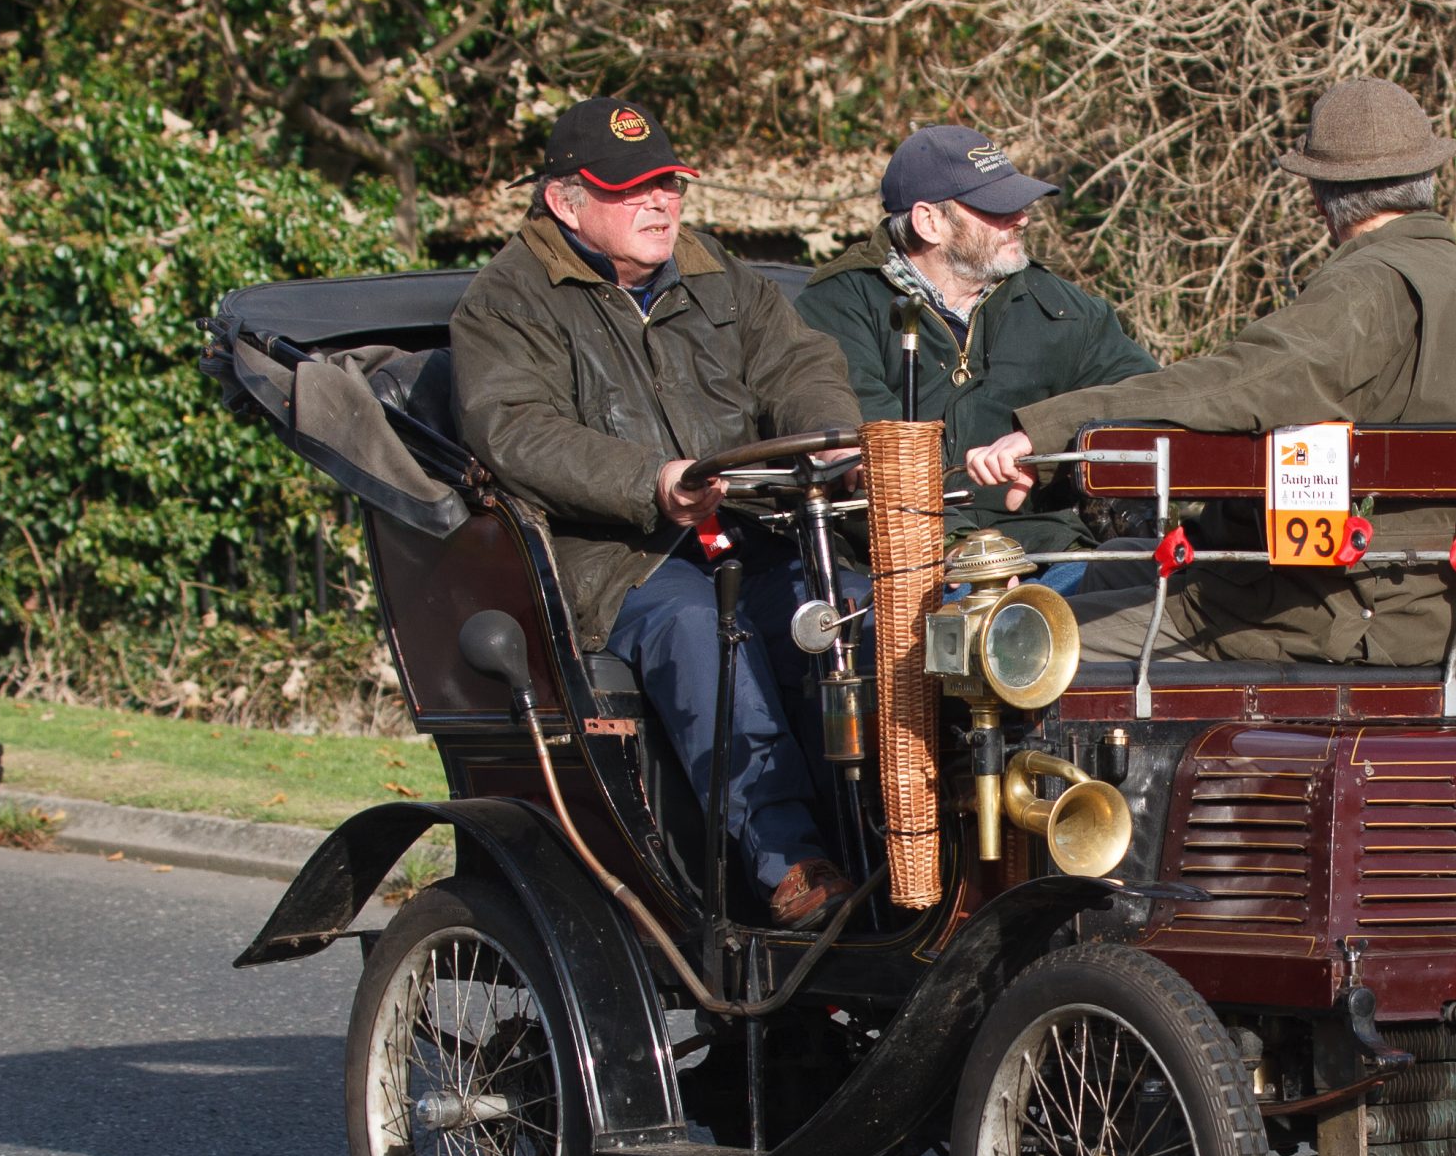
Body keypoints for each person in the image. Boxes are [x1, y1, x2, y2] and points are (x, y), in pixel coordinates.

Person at [451, 96, 862, 929]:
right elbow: (516, 430)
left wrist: (831, 438)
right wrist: (651, 480)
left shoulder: (717, 275)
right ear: (564, 202)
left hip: (754, 531)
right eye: (630, 189)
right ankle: (792, 863)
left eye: (669, 184)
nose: (661, 203)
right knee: (703, 631)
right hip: (617, 560)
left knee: (858, 608)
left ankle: (900, 845)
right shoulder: (506, 300)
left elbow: (799, 364)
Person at [966, 79, 1456, 667]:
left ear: (1320, 198)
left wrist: (1051, 432)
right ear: (1426, 180)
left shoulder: (1366, 288)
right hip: (1453, 619)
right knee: (1112, 562)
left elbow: (1237, 384)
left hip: (1336, 618)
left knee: (1011, 649)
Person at [794, 125, 1155, 592]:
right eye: (997, 208)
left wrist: (1047, 434)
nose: (1022, 219)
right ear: (929, 222)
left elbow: (1148, 401)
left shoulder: (1065, 308)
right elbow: (875, 458)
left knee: (1140, 594)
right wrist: (967, 553)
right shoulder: (839, 306)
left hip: (1055, 548)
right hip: (899, 566)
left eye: (1019, 204)